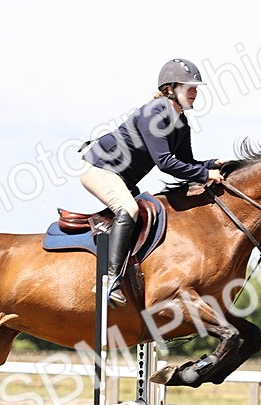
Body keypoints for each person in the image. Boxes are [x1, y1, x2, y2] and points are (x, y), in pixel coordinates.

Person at [81, 58, 224, 307]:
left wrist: (214, 165)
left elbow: (187, 162)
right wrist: (204, 175)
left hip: (122, 178)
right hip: (99, 169)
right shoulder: (154, 114)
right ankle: (109, 280)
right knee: (130, 209)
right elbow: (167, 164)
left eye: (196, 88)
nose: (194, 92)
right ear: (169, 89)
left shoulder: (180, 123)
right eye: (188, 86)